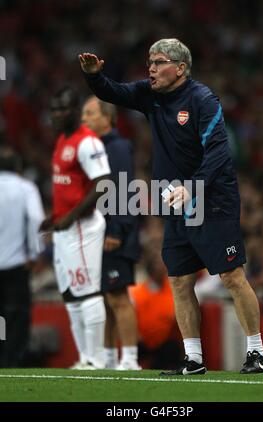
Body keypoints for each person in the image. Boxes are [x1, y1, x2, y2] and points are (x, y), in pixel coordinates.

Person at [79, 38, 263, 375]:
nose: (151, 67)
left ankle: (257, 353)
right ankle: (193, 358)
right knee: (180, 280)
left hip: (212, 200)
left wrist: (192, 187)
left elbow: (218, 153)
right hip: (176, 203)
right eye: (150, 61)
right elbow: (114, 93)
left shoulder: (203, 100)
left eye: (160, 61)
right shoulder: (150, 94)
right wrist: (95, 77)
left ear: (180, 69)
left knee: (231, 275)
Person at [40, 87, 111, 369]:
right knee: (70, 293)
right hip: (64, 227)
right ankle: (84, 358)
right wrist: (55, 215)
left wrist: (72, 215)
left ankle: (96, 359)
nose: (57, 114)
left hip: (83, 225)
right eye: (54, 109)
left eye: (63, 109)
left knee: (88, 290)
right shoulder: (62, 140)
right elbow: (66, 185)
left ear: (75, 111)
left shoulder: (87, 142)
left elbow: (104, 182)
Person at [81, 96, 140, 370]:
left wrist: (116, 229)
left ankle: (129, 358)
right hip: (99, 234)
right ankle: (106, 358)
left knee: (118, 297)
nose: (85, 119)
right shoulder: (95, 148)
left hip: (115, 233)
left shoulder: (116, 148)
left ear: (107, 117)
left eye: (90, 113)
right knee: (104, 298)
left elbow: (124, 189)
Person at [0, 147, 45, 367]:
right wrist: (35, 252)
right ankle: (12, 360)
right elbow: (36, 219)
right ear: (18, 168)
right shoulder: (25, 188)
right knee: (16, 314)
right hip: (16, 264)